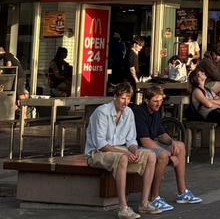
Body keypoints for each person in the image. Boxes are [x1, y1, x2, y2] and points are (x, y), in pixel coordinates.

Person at [86, 82, 161, 218]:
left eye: (128, 98)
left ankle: (144, 203)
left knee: (151, 156)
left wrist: (134, 150)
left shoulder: (129, 112)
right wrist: (125, 152)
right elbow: (101, 144)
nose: (126, 102)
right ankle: (123, 208)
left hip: (121, 149)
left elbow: (131, 140)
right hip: (97, 153)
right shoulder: (102, 112)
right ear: (115, 97)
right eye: (122, 98)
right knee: (123, 157)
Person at [133, 85, 201, 209]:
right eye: (155, 101)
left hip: (148, 144)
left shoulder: (155, 112)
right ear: (146, 101)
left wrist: (172, 141)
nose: (158, 104)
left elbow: (161, 134)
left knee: (180, 146)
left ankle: (182, 192)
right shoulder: (139, 112)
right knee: (164, 155)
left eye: (160, 101)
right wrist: (169, 154)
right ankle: (154, 197)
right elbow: (145, 140)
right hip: (136, 147)